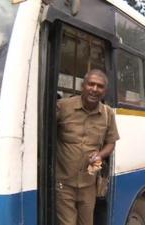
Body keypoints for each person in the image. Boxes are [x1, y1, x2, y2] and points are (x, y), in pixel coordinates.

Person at [56, 69, 120, 225]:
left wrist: (100, 155)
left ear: (104, 91)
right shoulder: (63, 107)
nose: (95, 89)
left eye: (100, 86)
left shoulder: (108, 114)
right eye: (91, 84)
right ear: (82, 86)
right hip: (63, 184)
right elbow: (44, 134)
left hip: (89, 184)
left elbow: (111, 142)